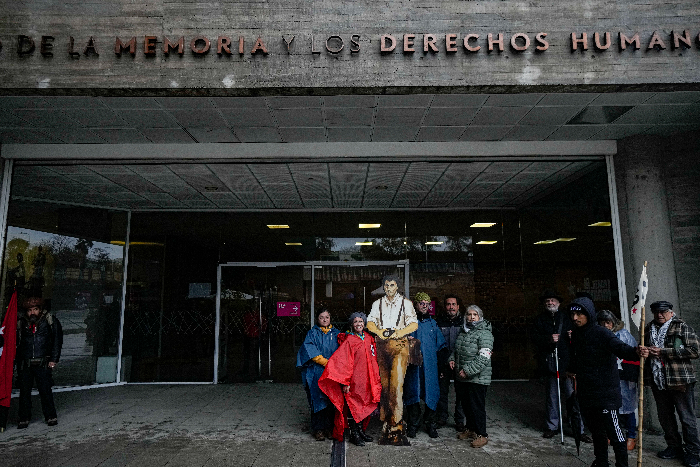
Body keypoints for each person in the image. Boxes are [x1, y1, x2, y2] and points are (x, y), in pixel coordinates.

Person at [568, 296, 641, 467]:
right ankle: (601, 461)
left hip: (606, 395)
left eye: (579, 315)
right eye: (573, 315)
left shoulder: (602, 332)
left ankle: (622, 465)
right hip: (587, 393)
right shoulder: (577, 334)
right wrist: (570, 370)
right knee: (597, 432)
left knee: (615, 433)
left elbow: (621, 349)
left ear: (589, 314)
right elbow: (577, 359)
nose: (575, 319)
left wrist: (636, 351)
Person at [642, 301, 700, 467]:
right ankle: (674, 447)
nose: (660, 315)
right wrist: (645, 351)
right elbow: (643, 349)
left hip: (680, 379)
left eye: (663, 312)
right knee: (665, 417)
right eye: (656, 312)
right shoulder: (648, 329)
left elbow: (695, 350)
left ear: (670, 312)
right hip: (657, 378)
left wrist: (664, 352)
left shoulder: (681, 326)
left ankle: (693, 452)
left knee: (687, 418)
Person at [366, 275, 418, 445]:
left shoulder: (406, 303)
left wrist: (398, 332)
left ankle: (396, 425)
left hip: (399, 345)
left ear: (398, 286)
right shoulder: (377, 304)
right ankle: (387, 421)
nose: (389, 288)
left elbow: (413, 324)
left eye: (392, 285)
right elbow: (370, 323)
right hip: (382, 345)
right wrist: (379, 332)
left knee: (396, 385)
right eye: (386, 285)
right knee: (385, 386)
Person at [531, 288, 587, 441]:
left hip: (568, 364)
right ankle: (551, 426)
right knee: (552, 397)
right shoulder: (540, 320)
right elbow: (534, 339)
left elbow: (580, 338)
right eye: (547, 301)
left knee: (573, 397)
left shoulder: (568, 318)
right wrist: (548, 339)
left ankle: (578, 429)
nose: (550, 302)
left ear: (559, 303)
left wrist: (571, 337)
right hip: (551, 364)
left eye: (553, 300)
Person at [318, 312, 381, 446]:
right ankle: (354, 434)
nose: (358, 324)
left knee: (364, 406)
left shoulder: (369, 338)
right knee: (354, 407)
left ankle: (361, 431)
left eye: (361, 321)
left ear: (364, 323)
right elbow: (344, 363)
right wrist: (345, 382)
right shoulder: (349, 340)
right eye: (355, 322)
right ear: (352, 324)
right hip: (354, 381)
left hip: (368, 380)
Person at [449, 304, 494, 448]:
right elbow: (457, 350)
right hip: (462, 377)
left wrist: (467, 370)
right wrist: (452, 359)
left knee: (477, 406)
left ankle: (482, 435)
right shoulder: (464, 332)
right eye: (469, 314)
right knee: (466, 405)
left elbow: (484, 357)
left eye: (475, 314)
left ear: (480, 317)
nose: (472, 317)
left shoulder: (485, 333)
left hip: (477, 378)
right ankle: (471, 429)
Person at [404, 292, 447, 438]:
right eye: (421, 303)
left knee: (432, 393)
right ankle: (413, 424)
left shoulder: (433, 324)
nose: (424, 306)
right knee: (413, 393)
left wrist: (441, 368)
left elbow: (441, 347)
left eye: (426, 303)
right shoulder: (409, 323)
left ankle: (430, 424)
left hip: (430, 368)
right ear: (416, 304)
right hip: (413, 367)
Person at [16, 296, 63, 429]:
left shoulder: (50, 320)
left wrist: (54, 359)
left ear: (40, 310)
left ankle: (50, 416)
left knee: (45, 391)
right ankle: (24, 418)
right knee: (24, 393)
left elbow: (57, 341)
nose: (32, 313)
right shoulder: (21, 323)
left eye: (35, 309)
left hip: (43, 362)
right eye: (30, 310)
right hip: (26, 363)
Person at [597, 310, 639, 451]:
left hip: (624, 378)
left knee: (627, 408)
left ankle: (631, 436)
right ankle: (613, 434)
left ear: (613, 323)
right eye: (602, 322)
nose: (605, 325)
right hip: (606, 378)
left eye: (608, 322)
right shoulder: (598, 335)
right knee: (610, 408)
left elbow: (632, 355)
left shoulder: (624, 335)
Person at [296, 307, 340, 441]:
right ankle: (318, 429)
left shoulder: (337, 333)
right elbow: (309, 349)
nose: (324, 320)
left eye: (327, 317)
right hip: (316, 371)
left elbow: (342, 351)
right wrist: (324, 361)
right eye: (322, 317)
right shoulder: (312, 333)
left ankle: (329, 428)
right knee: (317, 400)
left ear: (330, 318)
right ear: (317, 319)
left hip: (332, 372)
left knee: (331, 400)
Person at [436, 294, 466, 431]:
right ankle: (442, 417)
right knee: (442, 390)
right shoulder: (439, 321)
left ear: (458, 306)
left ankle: (459, 420)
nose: (451, 307)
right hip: (443, 361)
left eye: (453, 304)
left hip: (460, 362)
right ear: (445, 306)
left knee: (461, 391)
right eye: (448, 304)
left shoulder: (465, 322)